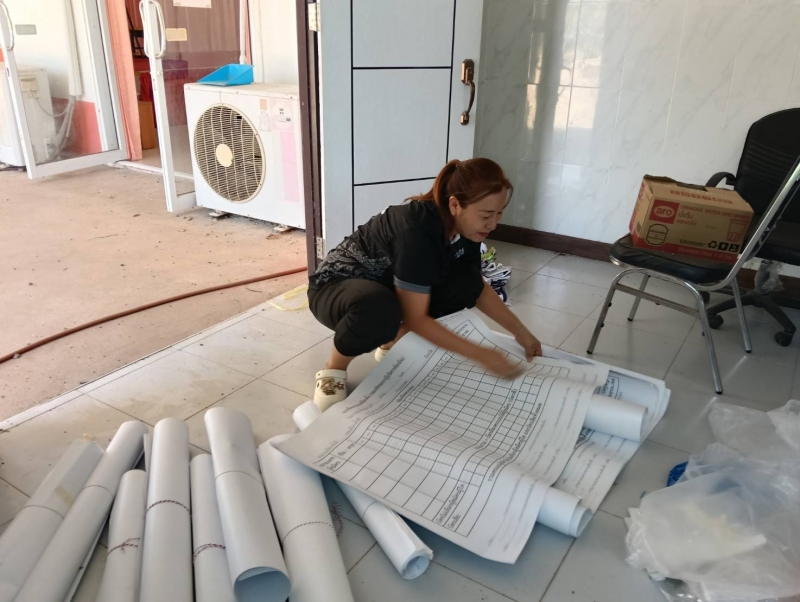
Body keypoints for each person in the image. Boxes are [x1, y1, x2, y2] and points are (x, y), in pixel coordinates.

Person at [308, 158, 542, 410]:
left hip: (386, 289)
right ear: (455, 205)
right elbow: (416, 318)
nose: (493, 224)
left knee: (464, 282)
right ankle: (333, 369)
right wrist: (482, 355)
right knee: (377, 307)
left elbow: (476, 287)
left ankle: (390, 341)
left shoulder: (468, 230)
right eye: (486, 215)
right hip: (335, 289)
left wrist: (521, 332)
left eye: (499, 213)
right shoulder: (417, 230)